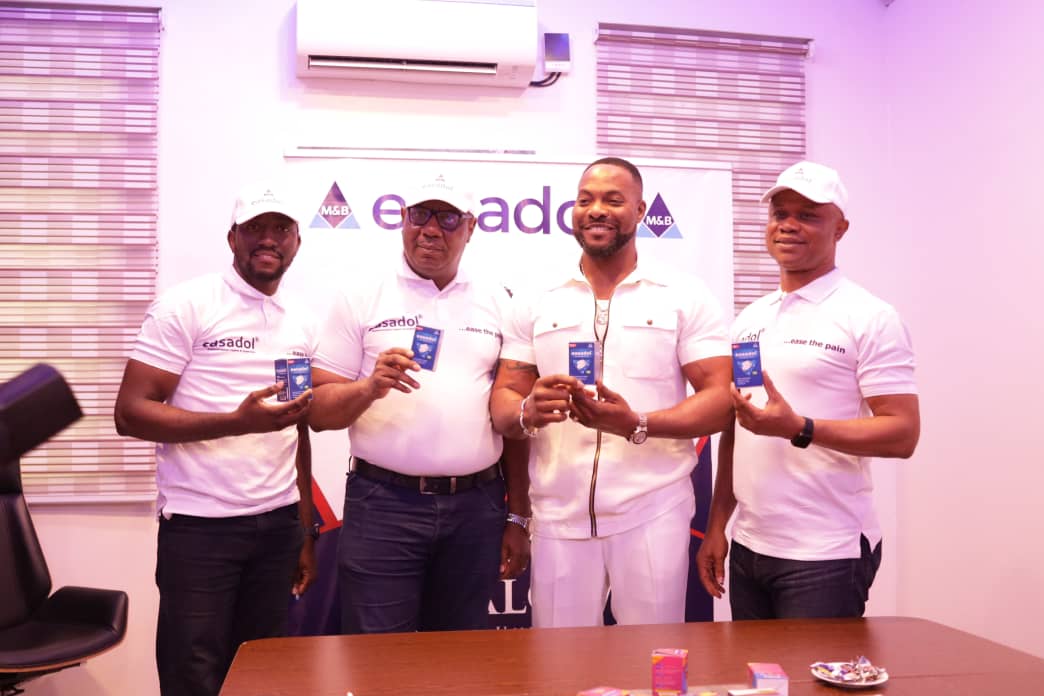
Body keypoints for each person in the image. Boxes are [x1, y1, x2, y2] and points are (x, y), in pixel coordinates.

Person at [490, 157, 733, 628]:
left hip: (653, 507)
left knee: (652, 657)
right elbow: (503, 401)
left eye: (613, 200)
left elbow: (721, 401)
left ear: (641, 210)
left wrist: (637, 423)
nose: (596, 210)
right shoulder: (538, 296)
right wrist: (527, 410)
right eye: (585, 200)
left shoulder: (682, 293)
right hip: (557, 513)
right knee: (560, 661)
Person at [113, 182, 319, 696]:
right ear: (232, 238)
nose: (268, 239)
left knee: (262, 676)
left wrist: (304, 528)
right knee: (193, 677)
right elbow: (131, 414)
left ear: (297, 242)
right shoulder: (187, 305)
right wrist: (235, 421)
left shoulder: (301, 318)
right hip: (200, 530)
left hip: (277, 527)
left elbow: (294, 425)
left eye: (280, 229)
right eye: (255, 228)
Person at [696, 160, 921, 619]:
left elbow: (902, 434)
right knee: (756, 670)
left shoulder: (869, 316)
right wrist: (717, 524)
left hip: (826, 552)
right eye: (780, 214)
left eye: (808, 215)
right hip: (750, 546)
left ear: (840, 229)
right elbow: (739, 429)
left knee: (817, 669)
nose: (788, 225)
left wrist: (800, 427)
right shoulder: (751, 317)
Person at [308, 173, 530, 634]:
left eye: (447, 218)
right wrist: (369, 388)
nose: (430, 229)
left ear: (471, 227)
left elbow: (512, 418)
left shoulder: (500, 300)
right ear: (402, 220)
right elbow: (319, 413)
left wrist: (518, 515)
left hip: (476, 507)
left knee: (458, 654)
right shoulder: (361, 295)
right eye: (420, 215)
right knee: (377, 656)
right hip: (383, 506)